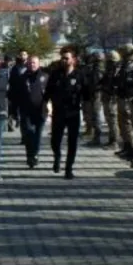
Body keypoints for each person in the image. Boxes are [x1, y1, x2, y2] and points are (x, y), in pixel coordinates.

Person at [46, 47, 86, 180]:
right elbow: (48, 91)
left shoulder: (80, 75)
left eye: (66, 58)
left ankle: (69, 168)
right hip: (58, 112)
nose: (63, 60)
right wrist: (45, 104)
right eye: (62, 58)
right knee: (55, 140)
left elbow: (87, 94)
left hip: (73, 112)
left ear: (73, 60)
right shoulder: (56, 74)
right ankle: (57, 156)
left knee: (72, 141)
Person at [18, 56, 48, 168]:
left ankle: (35, 154)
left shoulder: (45, 76)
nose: (32, 65)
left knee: (38, 135)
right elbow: (17, 94)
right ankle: (30, 155)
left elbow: (49, 93)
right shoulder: (22, 77)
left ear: (39, 64)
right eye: (30, 63)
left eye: (34, 63)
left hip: (41, 111)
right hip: (26, 111)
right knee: (29, 134)